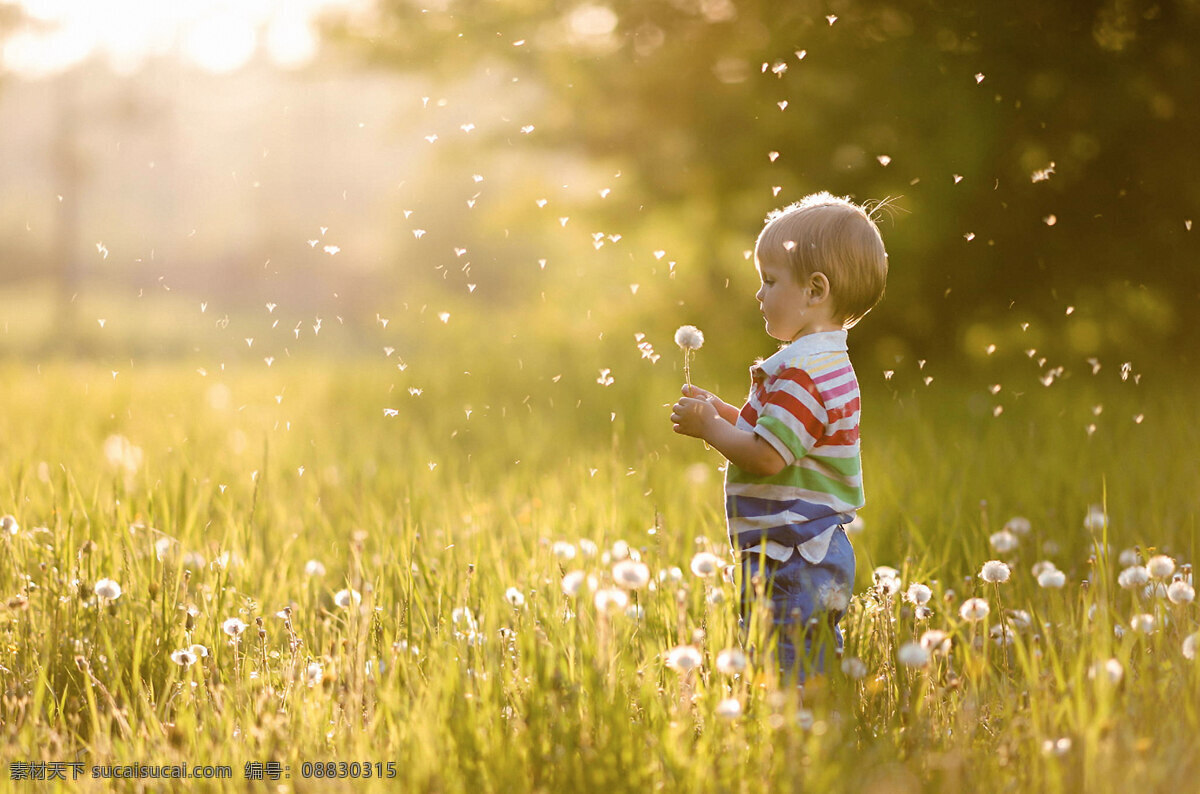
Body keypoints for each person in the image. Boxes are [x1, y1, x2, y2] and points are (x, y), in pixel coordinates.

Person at [669, 192, 889, 681]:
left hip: (790, 555)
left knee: (788, 667)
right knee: (808, 657)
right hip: (809, 548)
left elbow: (767, 457)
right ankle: (820, 726)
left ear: (815, 291)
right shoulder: (824, 364)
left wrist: (710, 428)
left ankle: (800, 738)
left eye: (769, 281)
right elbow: (777, 434)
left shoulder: (802, 375)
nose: (759, 294)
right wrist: (723, 412)